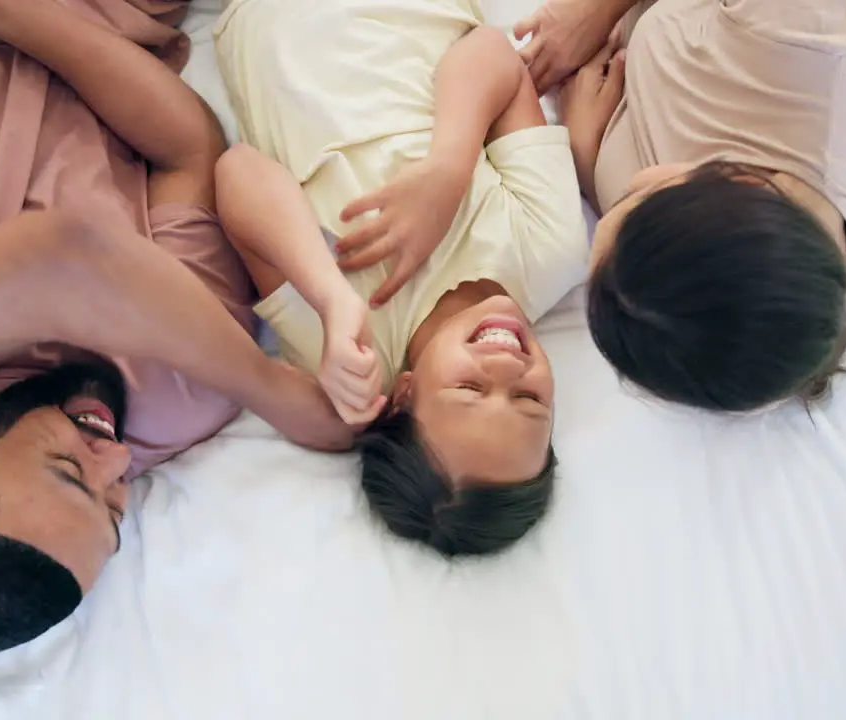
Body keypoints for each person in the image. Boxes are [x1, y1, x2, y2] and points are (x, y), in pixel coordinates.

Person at [0, 0, 351, 655]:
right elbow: (189, 147)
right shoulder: (182, 393)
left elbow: (67, 254)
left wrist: (271, 389)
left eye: (67, 469)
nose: (116, 457)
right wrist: (14, 18)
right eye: (114, 505)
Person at [212, 0, 589, 556]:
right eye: (529, 398)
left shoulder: (345, 349)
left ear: (405, 394)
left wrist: (330, 296)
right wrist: (447, 170)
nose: (507, 368)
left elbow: (237, 171)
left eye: (471, 388)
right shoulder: (549, 252)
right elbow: (488, 53)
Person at [516, 0, 846, 412]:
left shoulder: (665, 279)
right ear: (741, 179)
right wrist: (595, 11)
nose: (631, 185)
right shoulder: (808, 34)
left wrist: (585, 153)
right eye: (634, 197)